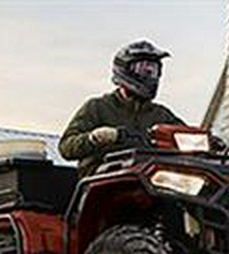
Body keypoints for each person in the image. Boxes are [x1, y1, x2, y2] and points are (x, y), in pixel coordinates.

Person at [59, 40, 185, 177]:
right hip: (103, 179)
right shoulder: (98, 107)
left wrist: (208, 141)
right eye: (143, 68)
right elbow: (66, 147)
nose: (149, 73)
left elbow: (187, 136)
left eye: (153, 70)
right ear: (124, 70)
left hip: (150, 179)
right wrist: (94, 138)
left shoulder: (161, 115)